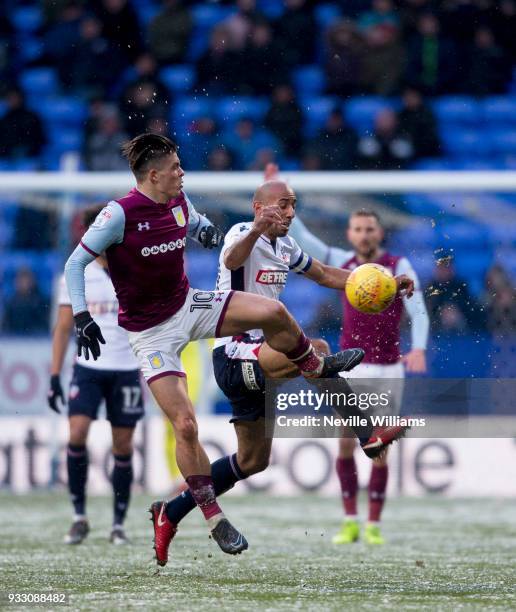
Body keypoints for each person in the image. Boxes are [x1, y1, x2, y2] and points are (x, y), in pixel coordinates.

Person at [64, 133, 368, 563]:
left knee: (273, 312)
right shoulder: (119, 213)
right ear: (154, 174)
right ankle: (212, 518)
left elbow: (199, 224)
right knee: (185, 425)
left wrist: (208, 232)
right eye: (174, 167)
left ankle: (314, 362)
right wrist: (82, 315)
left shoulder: (179, 202)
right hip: (150, 334)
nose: (182, 172)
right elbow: (74, 262)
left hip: (190, 305)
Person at [155, 179, 415, 568]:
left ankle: (170, 513)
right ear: (259, 208)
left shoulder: (286, 245)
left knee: (253, 460)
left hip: (264, 355)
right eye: (284, 205)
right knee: (318, 351)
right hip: (235, 352)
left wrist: (389, 285)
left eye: (294, 205)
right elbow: (229, 261)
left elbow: (326, 274)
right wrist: (257, 228)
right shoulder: (243, 232)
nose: (291, 213)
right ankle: (366, 432)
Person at [288, 206, 429, 546]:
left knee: (380, 446)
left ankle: (374, 524)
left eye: (369, 229)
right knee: (346, 442)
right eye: (357, 229)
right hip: (353, 365)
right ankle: (350, 519)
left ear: (380, 233)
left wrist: (419, 347)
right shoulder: (343, 262)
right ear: (349, 234)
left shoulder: (399, 267)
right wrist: (286, 210)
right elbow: (304, 240)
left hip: (389, 367)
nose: (364, 234)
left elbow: (419, 307)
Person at [49, 206, 144, 545]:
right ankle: (79, 516)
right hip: (88, 367)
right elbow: (63, 327)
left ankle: (118, 523)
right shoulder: (75, 273)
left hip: (127, 368)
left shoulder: (133, 267)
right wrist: (54, 375)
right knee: (76, 433)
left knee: (123, 445)